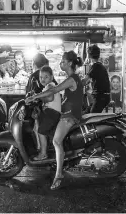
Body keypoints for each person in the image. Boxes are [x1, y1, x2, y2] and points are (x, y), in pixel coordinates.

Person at [26, 51, 83, 190]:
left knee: (56, 141)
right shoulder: (71, 78)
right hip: (66, 113)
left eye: (63, 61)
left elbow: (53, 91)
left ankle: (58, 175)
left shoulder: (71, 79)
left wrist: (35, 97)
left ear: (70, 63)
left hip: (70, 116)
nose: (60, 63)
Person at [33, 66, 62, 161]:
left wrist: (38, 97)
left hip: (52, 113)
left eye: (46, 77)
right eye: (41, 77)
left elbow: (50, 98)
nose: (43, 79)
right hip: (50, 112)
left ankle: (43, 153)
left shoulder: (51, 86)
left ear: (51, 77)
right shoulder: (47, 87)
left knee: (41, 131)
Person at [82, 45, 111, 113]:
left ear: (89, 55)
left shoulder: (95, 66)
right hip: (102, 96)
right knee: (86, 113)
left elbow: (84, 81)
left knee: (92, 117)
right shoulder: (99, 65)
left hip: (101, 97)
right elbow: (88, 80)